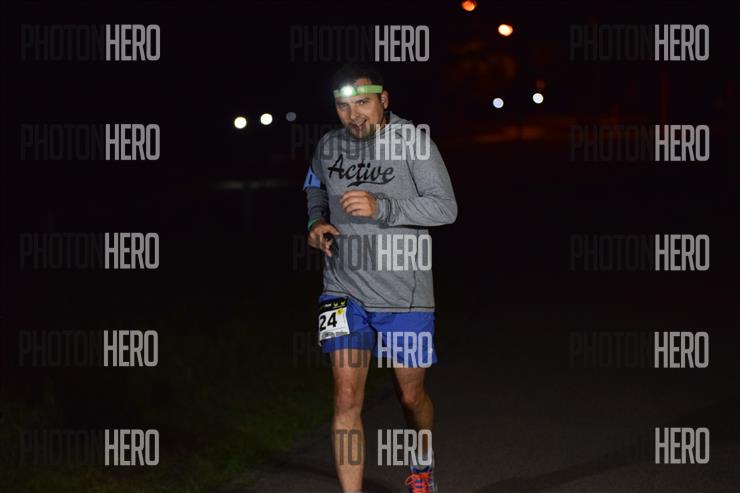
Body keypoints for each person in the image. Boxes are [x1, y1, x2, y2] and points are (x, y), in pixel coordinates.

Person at [303, 63, 457, 493]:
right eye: (343, 106)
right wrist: (316, 221)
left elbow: (446, 208)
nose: (353, 115)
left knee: (410, 397)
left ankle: (422, 465)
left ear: (384, 100)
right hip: (342, 289)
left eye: (363, 103)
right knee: (345, 397)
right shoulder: (329, 145)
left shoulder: (414, 142)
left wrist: (382, 208)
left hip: (404, 296)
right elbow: (314, 184)